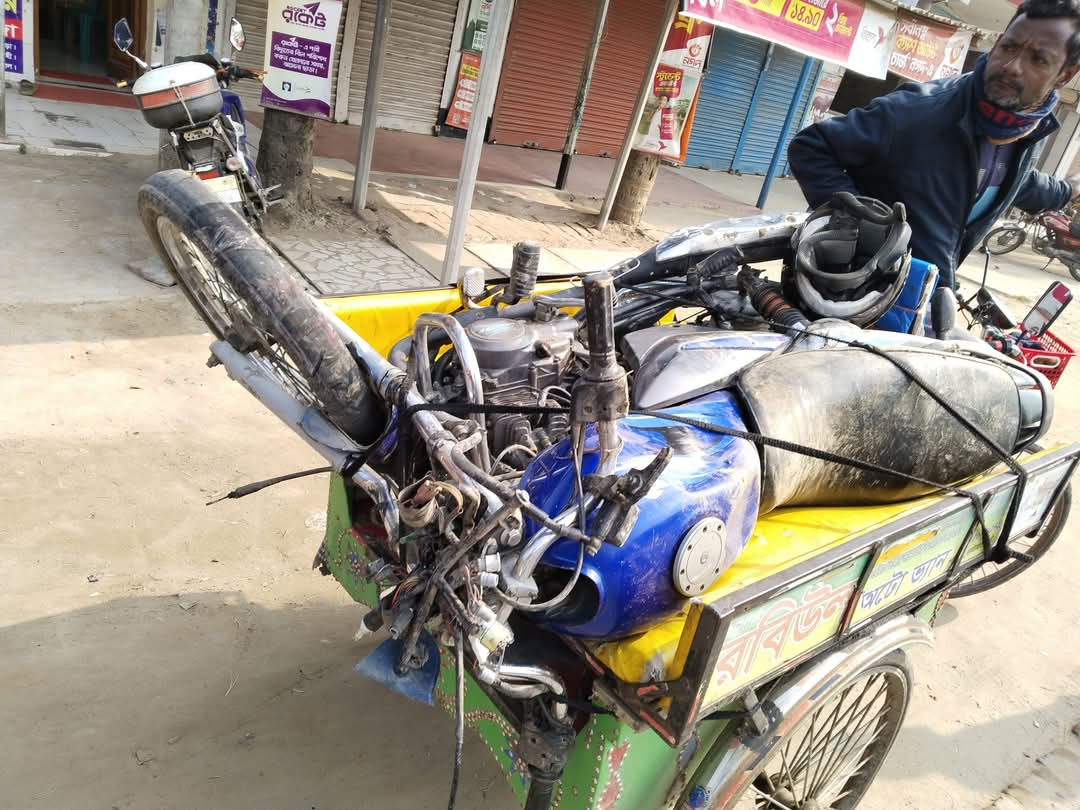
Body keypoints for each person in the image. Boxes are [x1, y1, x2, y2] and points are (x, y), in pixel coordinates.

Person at [787, 0, 1080, 289]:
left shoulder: (1028, 131)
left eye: (1038, 59)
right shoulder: (916, 110)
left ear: (1065, 75)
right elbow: (811, 146)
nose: (1013, 66)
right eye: (1009, 47)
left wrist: (1068, 190)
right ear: (998, 41)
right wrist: (863, 226)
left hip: (922, 296)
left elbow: (1014, 181)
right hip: (847, 291)